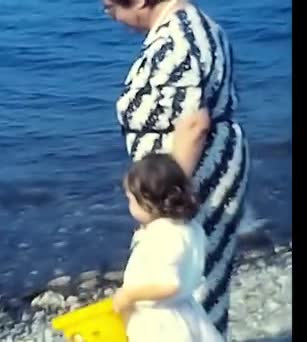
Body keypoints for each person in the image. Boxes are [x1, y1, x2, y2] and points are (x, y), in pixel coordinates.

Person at [102, 0, 250, 337]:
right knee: (197, 279)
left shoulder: (178, 40)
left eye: (111, 7)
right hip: (195, 172)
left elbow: (193, 123)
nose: (111, 17)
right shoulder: (192, 27)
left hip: (193, 175)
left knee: (186, 285)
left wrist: (160, 198)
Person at [112, 153, 224, 342]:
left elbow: (170, 284)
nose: (129, 205)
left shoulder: (163, 236)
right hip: (187, 313)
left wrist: (129, 295)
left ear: (148, 201)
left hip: (160, 323)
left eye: (131, 199)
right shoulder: (190, 228)